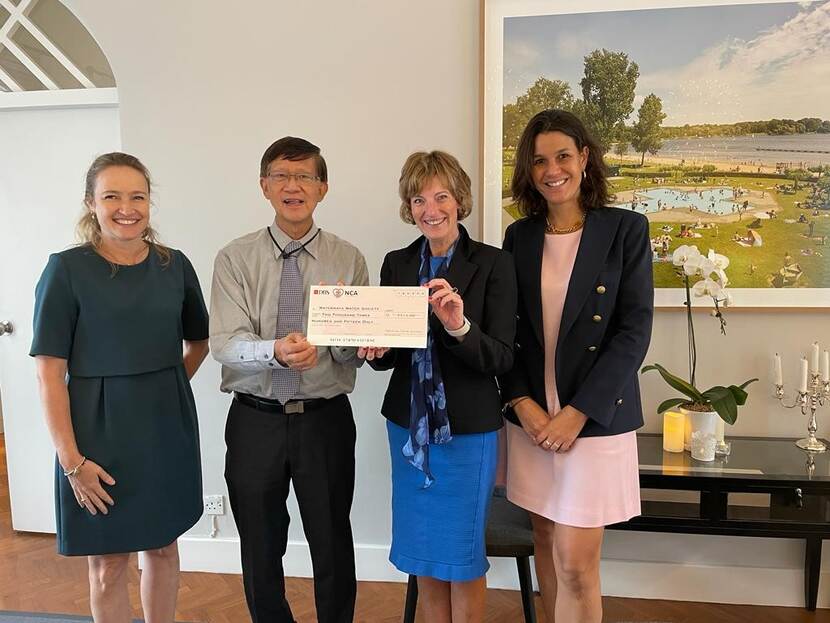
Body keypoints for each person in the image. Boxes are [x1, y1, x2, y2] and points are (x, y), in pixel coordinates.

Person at [30, 152, 210, 622]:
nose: (126, 207)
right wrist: (72, 462)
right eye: (112, 196)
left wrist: (162, 388)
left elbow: (199, 342)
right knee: (108, 565)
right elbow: (49, 373)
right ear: (91, 203)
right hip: (95, 439)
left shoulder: (176, 266)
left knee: (164, 549)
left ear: (150, 203)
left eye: (138, 196)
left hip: (164, 433)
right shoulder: (65, 270)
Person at [499, 109, 654, 623]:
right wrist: (522, 404)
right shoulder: (519, 237)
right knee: (543, 538)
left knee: (577, 566)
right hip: (531, 421)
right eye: (539, 160)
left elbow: (633, 333)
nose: (551, 170)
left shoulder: (626, 230)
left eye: (562, 155)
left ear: (584, 158)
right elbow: (510, 334)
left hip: (593, 420)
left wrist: (577, 412)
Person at [210, 136, 368, 623]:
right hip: (255, 421)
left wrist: (351, 339)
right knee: (259, 543)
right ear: (264, 186)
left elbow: (352, 353)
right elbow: (224, 344)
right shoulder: (234, 258)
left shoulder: (350, 259)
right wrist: (274, 353)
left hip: (325, 420)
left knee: (332, 540)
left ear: (322, 188)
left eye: (304, 177)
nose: (292, 186)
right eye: (281, 176)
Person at [360, 151, 516, 622]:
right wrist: (372, 348)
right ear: (409, 207)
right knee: (425, 555)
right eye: (418, 198)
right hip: (408, 429)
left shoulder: (494, 264)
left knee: (462, 559)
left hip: (468, 434)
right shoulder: (397, 262)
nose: (431, 208)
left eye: (441, 196)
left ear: (459, 200)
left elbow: (503, 357)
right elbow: (387, 362)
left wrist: (458, 326)